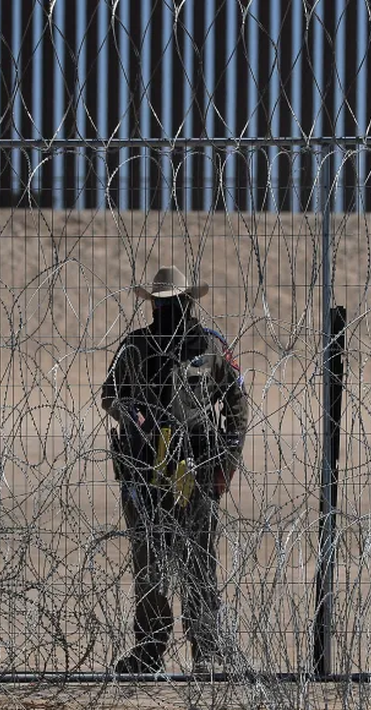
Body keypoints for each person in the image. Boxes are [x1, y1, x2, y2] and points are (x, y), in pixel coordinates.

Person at [101, 265, 250, 674]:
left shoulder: (209, 347)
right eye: (161, 306)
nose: (168, 312)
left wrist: (227, 465)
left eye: (175, 304)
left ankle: (206, 651)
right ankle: (149, 651)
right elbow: (109, 396)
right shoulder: (135, 347)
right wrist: (134, 416)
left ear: (188, 303)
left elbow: (237, 406)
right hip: (143, 471)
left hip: (197, 470)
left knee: (198, 560)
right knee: (148, 562)